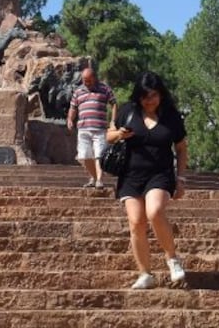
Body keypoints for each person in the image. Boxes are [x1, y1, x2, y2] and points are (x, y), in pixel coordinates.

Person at [107, 71, 189, 290]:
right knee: (136, 222)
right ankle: (145, 273)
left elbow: (181, 149)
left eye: (152, 95)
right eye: (144, 96)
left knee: (154, 212)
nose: (149, 100)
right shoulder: (128, 111)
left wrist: (180, 178)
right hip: (131, 174)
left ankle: (172, 259)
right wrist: (119, 135)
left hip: (160, 174)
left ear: (160, 94)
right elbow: (109, 135)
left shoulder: (171, 116)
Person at [66, 67, 117, 189]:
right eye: (84, 79)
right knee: (84, 156)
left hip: (99, 128)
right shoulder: (78, 91)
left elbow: (114, 103)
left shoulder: (104, 89)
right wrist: (69, 119)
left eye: (88, 80)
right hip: (83, 128)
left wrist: (113, 121)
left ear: (94, 78)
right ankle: (94, 177)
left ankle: (99, 180)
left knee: (99, 155)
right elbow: (73, 107)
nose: (85, 82)